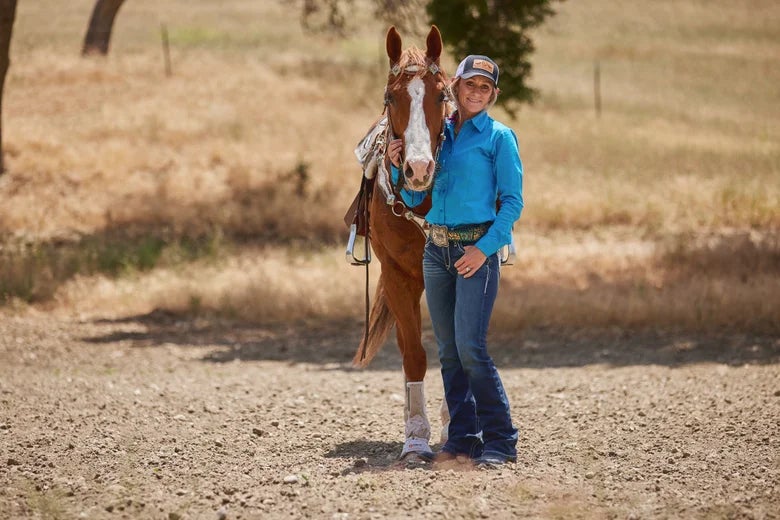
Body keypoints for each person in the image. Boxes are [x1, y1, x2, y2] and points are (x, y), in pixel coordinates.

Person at [388, 55, 523, 467]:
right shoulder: (439, 136)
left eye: (485, 87)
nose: (477, 93)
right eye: (471, 85)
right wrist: (398, 170)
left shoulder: (499, 137)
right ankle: (462, 439)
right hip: (436, 251)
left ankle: (501, 440)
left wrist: (484, 250)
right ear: (456, 88)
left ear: (493, 94)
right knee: (448, 351)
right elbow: (414, 199)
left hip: (474, 252)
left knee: (471, 348)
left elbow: (513, 204)